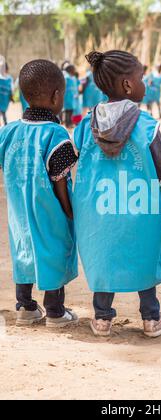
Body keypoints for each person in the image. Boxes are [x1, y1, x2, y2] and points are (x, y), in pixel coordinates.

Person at [73, 50, 161, 338]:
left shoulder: (86, 125)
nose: (145, 83)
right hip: (139, 209)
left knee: (104, 257)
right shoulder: (146, 125)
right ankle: (151, 318)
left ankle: (102, 318)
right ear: (127, 86)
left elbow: (76, 159)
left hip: (97, 211)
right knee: (144, 257)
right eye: (141, 78)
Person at [0, 59, 78, 328]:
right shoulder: (56, 134)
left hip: (18, 212)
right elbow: (60, 181)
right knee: (54, 253)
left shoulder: (8, 131)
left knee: (23, 251)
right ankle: (55, 311)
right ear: (57, 96)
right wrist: (70, 211)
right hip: (50, 212)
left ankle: (25, 306)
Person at [63, 64, 77, 128]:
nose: (75, 71)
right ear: (70, 70)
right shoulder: (66, 77)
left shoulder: (72, 77)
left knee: (71, 110)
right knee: (67, 111)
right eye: (73, 69)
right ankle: (67, 124)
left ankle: (70, 123)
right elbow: (64, 86)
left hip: (71, 96)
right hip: (67, 96)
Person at [0, 56, 13, 126]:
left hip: (4, 100)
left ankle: (5, 125)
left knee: (4, 113)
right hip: (3, 100)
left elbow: (11, 89)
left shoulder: (9, 79)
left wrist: (11, 97)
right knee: (3, 114)